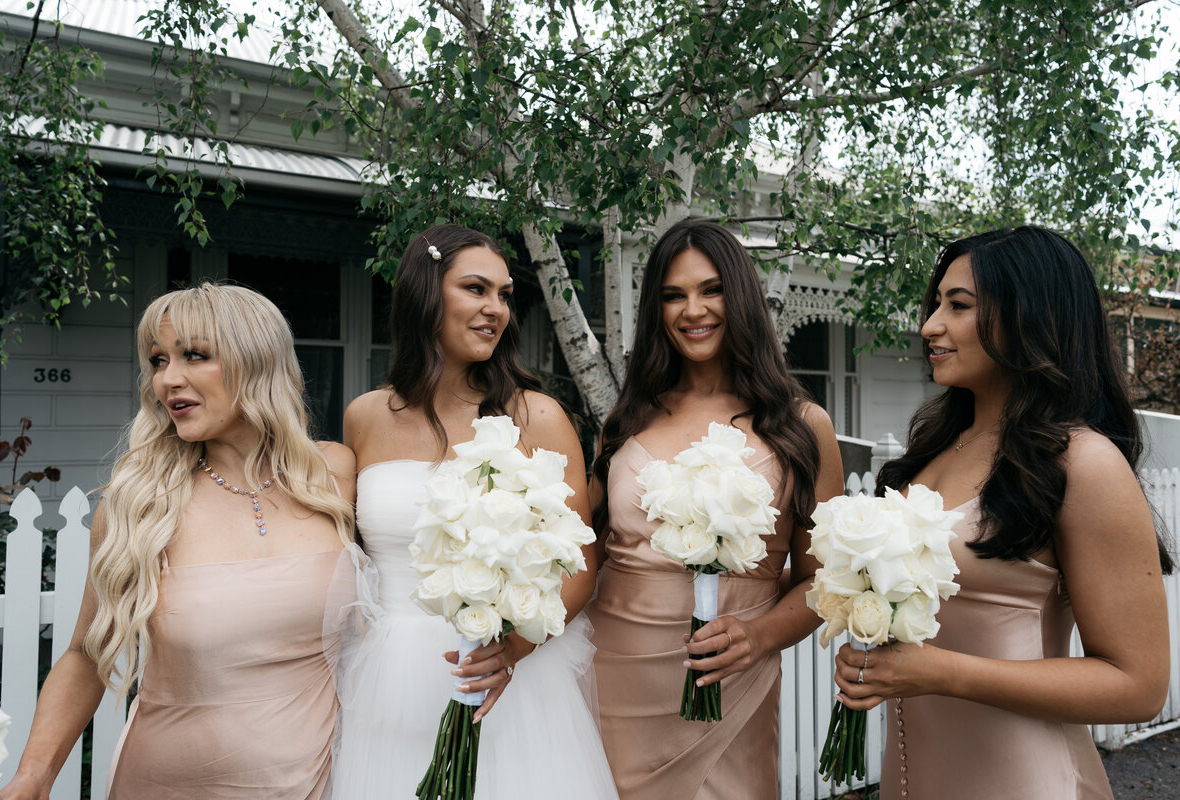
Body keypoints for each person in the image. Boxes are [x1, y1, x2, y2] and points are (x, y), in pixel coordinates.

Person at [833, 226, 1174, 798]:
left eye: (958, 306)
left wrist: (942, 673)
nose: (929, 326)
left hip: (1025, 779)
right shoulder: (936, 450)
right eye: (935, 304)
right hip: (914, 777)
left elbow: (1137, 686)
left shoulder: (1081, 462)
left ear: (1029, 317)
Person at [0, 284, 358, 799]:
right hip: (170, 782)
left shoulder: (335, 474)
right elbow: (85, 654)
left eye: (195, 355)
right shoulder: (140, 504)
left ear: (258, 360)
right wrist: (33, 777)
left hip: (324, 780)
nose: (168, 379)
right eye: (158, 360)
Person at [332, 224, 618, 798]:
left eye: (505, 295)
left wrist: (510, 649)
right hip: (386, 680)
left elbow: (582, 567)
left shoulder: (537, 417)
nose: (495, 309)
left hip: (506, 674)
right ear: (425, 294)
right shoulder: (364, 416)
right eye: (476, 289)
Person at [586, 219, 844, 798]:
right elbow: (587, 556)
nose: (692, 310)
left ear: (742, 297)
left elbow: (824, 581)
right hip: (614, 677)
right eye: (673, 295)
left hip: (732, 683)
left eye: (711, 289)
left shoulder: (801, 428)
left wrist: (762, 636)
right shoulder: (625, 423)